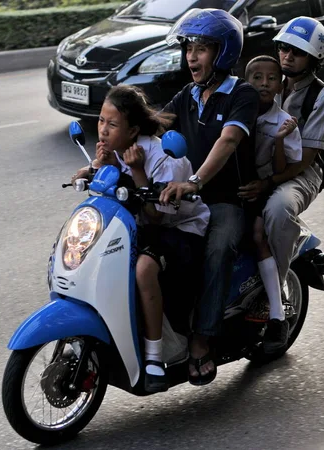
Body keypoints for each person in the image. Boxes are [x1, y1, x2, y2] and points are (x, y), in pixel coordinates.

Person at [81, 84, 210, 393]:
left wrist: (137, 170)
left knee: (143, 268)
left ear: (133, 130)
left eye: (112, 125)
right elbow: (99, 182)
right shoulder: (114, 151)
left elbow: (156, 215)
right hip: (144, 228)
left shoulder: (161, 156)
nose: (103, 130)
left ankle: (153, 357)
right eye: (101, 121)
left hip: (181, 229)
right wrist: (96, 168)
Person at [158, 8, 260, 385]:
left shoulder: (242, 94)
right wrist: (110, 147)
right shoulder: (188, 95)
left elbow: (228, 140)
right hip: (187, 197)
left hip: (224, 199)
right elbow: (154, 127)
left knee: (218, 250)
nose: (191, 56)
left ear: (224, 53)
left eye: (201, 48)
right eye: (189, 47)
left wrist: (196, 181)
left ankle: (202, 340)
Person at [240, 17, 324, 289]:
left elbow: (303, 160)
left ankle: (276, 292)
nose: (287, 55)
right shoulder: (268, 78)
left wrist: (266, 184)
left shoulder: (320, 96)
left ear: (314, 57)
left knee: (279, 208)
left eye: (298, 51)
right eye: (283, 47)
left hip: (301, 173)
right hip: (262, 159)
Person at [240, 55, 302, 353]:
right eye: (256, 77)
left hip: (261, 186)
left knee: (256, 234)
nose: (264, 83)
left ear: (281, 85)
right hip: (231, 185)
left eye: (271, 78)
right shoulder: (237, 109)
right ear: (245, 80)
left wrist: (279, 139)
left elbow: (280, 170)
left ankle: (277, 314)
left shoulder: (283, 122)